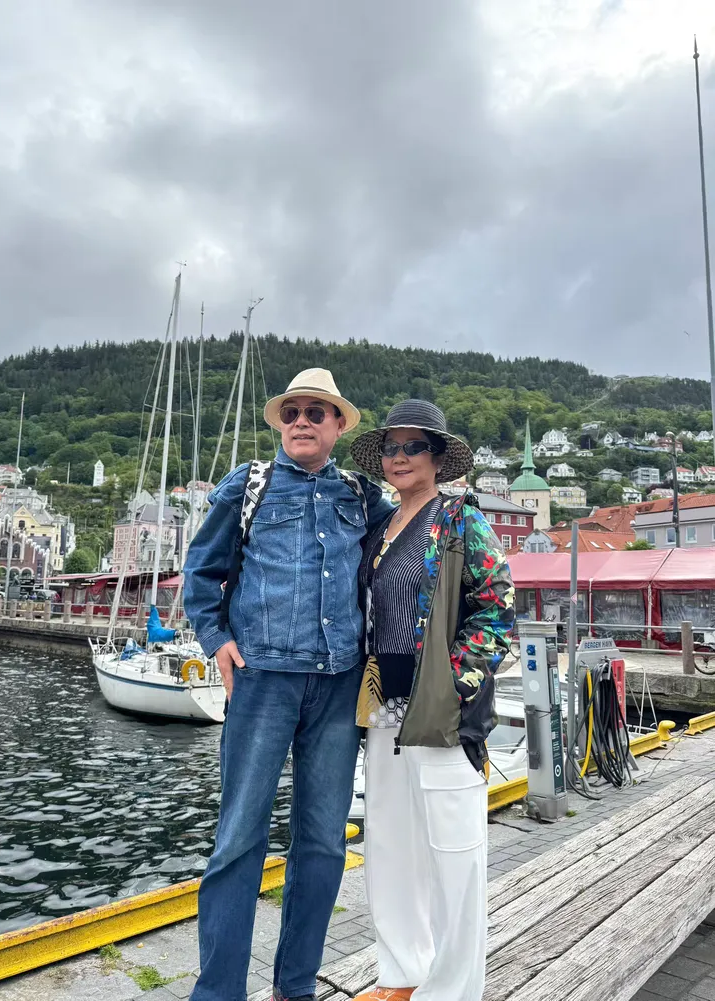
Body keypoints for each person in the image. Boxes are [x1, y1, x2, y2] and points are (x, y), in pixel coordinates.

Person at [183, 368, 393, 1001]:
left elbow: (407, 541)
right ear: (280, 423)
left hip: (339, 684)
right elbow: (201, 573)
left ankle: (295, 987)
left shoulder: (361, 496)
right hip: (262, 682)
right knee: (238, 838)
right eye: (292, 412)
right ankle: (219, 993)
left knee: (324, 841)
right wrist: (216, 638)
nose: (302, 421)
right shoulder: (246, 487)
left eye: (316, 412)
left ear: (338, 425)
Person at [349, 399, 515, 1001]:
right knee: (390, 845)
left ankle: (454, 990)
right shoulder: (379, 529)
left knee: (455, 853)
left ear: (438, 458)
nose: (399, 457)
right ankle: (403, 974)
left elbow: (497, 607)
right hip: (383, 706)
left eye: (413, 446)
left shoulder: (460, 521)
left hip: (441, 709)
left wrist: (456, 685)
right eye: (391, 448)